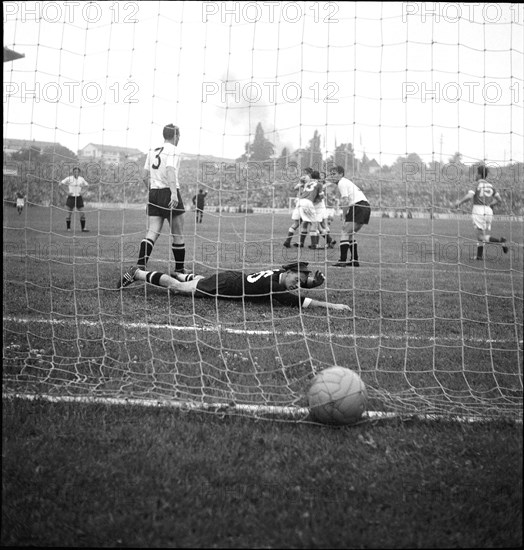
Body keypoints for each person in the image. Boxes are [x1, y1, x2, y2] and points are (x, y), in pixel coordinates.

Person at [118, 261, 352, 311]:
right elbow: (299, 301)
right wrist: (333, 305)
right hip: (228, 286)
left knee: (200, 282)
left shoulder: (279, 274)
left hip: (231, 278)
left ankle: (184, 274)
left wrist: (312, 282)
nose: (297, 285)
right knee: (179, 291)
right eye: (296, 280)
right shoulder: (275, 286)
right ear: (288, 272)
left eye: (300, 283)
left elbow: (295, 285)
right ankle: (138, 273)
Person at [125, 123, 186, 283]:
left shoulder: (152, 150)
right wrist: (173, 193)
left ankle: (139, 266)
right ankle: (179, 270)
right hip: (168, 191)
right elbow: (171, 170)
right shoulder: (174, 150)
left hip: (154, 193)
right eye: (179, 136)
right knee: (178, 234)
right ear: (175, 136)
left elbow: (144, 175)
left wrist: (152, 190)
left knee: (152, 232)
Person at [454, 165, 508, 260]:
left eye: (476, 173)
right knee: (482, 234)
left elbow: (470, 196)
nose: (475, 175)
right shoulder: (491, 186)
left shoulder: (477, 184)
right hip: (488, 210)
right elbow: (499, 200)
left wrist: (459, 203)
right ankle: (479, 256)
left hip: (478, 210)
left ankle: (500, 241)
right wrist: (490, 204)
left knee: (480, 236)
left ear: (479, 174)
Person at [329, 165, 371, 267]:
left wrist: (343, 215)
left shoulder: (342, 182)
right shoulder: (347, 182)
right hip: (365, 206)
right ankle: (354, 260)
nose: (332, 176)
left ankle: (342, 261)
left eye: (334, 174)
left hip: (358, 206)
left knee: (345, 231)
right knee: (350, 233)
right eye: (331, 174)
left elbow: (345, 200)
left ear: (341, 174)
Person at [60, 167, 89, 232]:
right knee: (69, 213)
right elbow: (60, 184)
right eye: (75, 171)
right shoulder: (69, 178)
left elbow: (87, 186)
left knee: (82, 213)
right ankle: (68, 228)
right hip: (71, 197)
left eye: (77, 172)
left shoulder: (81, 179)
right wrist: (67, 192)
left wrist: (83, 192)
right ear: (73, 172)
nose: (76, 173)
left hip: (79, 197)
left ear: (79, 172)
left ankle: (83, 228)